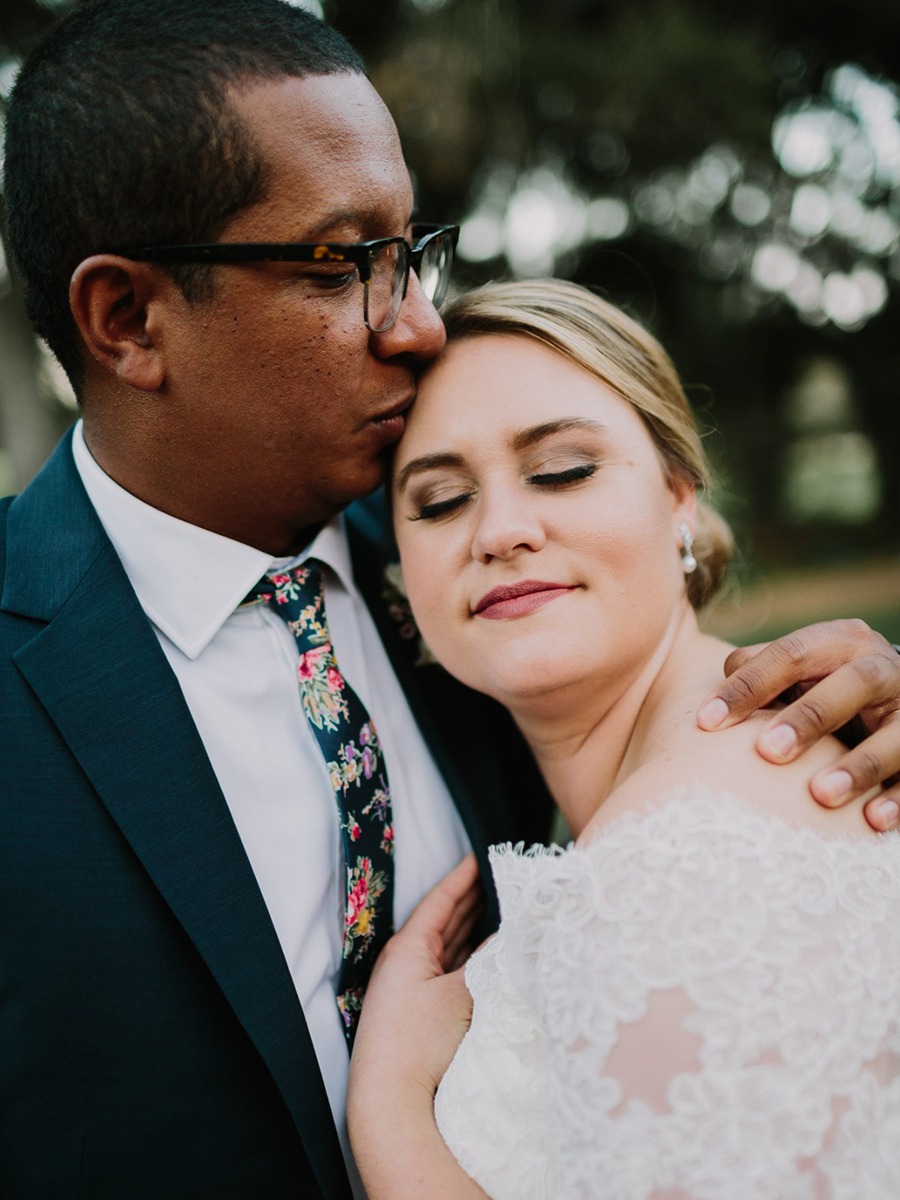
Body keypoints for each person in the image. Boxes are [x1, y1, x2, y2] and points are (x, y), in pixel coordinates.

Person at [1, 2, 898, 1196]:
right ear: (128, 320)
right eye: (340, 263)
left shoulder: (481, 584)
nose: (416, 321)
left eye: (407, 251)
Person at [346, 279, 900, 1199]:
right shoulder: (670, 799)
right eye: (441, 500)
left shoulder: (692, 845)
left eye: (561, 469)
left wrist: (391, 1103)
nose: (501, 532)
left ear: (681, 497)